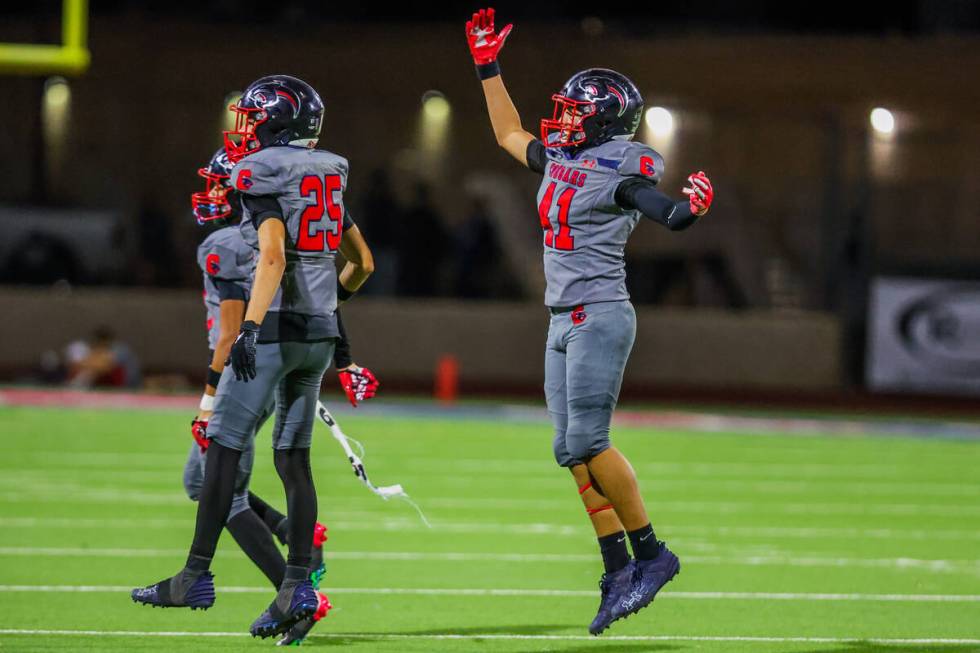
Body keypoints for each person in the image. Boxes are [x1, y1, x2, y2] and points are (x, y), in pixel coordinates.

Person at [465, 8, 714, 636]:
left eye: (578, 110)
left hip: (600, 314)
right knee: (567, 454)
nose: (566, 118)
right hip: (560, 319)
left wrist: (691, 206)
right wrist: (487, 66)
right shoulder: (562, 161)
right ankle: (614, 569)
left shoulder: (620, 171)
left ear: (604, 118)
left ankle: (652, 553)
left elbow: (666, 212)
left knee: (587, 444)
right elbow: (507, 133)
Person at [131, 74, 375, 641]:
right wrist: (328, 315)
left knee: (222, 448)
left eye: (253, 117)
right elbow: (361, 263)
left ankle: (193, 576)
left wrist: (252, 329)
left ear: (276, 120)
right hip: (318, 334)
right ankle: (296, 587)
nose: (245, 128)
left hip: (279, 329)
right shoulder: (330, 170)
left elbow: (270, 255)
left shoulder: (258, 171)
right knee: (293, 460)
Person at [185, 146, 376, 645]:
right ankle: (294, 543)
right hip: (304, 342)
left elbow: (230, 334)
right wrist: (341, 354)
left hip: (256, 356)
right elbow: (350, 271)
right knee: (247, 471)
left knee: (215, 481)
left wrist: (208, 399)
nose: (216, 189)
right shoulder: (312, 200)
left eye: (221, 181)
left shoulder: (230, 241)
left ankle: (291, 587)